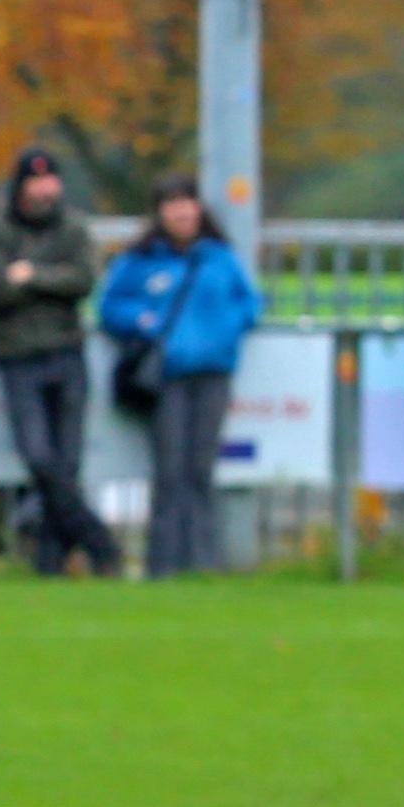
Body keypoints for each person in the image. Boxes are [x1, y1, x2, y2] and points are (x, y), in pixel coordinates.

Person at [97, 176, 263, 577]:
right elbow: (109, 306)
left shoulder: (219, 258)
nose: (181, 211)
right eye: (172, 203)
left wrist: (228, 327)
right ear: (159, 212)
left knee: (201, 472)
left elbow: (250, 301)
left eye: (187, 202)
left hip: (213, 373)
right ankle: (164, 564)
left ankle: (204, 562)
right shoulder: (140, 260)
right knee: (170, 472)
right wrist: (141, 319)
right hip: (167, 376)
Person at [0, 147, 122, 577]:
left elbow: (82, 281)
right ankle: (100, 542)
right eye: (36, 182)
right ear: (21, 186)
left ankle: (51, 561)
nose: (46, 189)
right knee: (39, 457)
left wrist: (32, 275)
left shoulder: (74, 228)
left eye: (51, 180)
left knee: (67, 462)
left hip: (66, 350)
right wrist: (46, 280)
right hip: (18, 355)